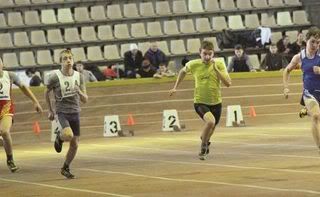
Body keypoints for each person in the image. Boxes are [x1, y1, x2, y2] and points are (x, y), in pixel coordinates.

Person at [169, 41, 231, 160]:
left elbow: (228, 84)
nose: (207, 57)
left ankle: (205, 141)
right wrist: (175, 87)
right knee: (211, 122)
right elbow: (182, 72)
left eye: (210, 54)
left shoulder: (220, 63)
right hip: (200, 102)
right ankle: (203, 146)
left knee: (210, 131)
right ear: (200, 53)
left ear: (213, 54)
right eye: (204, 54)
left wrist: (216, 70)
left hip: (216, 102)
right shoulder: (193, 64)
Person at [45, 49, 88, 179]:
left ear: (73, 60)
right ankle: (60, 137)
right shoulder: (55, 77)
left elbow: (85, 99)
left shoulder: (79, 76)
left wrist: (79, 92)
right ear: (61, 62)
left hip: (75, 111)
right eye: (65, 58)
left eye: (70, 58)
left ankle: (65, 167)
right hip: (62, 111)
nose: (68, 60)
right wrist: (50, 110)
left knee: (75, 145)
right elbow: (46, 92)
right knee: (68, 135)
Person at [0, 58, 43, 172]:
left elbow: (23, 87)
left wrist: (35, 102)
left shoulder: (10, 75)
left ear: (2, 64)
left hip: (6, 108)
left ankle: (10, 159)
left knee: (4, 131)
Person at [283, 27, 320, 150]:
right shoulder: (299, 57)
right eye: (312, 41)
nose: (315, 45)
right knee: (316, 116)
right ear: (306, 40)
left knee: (316, 114)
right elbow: (287, 71)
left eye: (318, 42)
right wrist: (286, 87)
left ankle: (306, 111)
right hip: (309, 93)